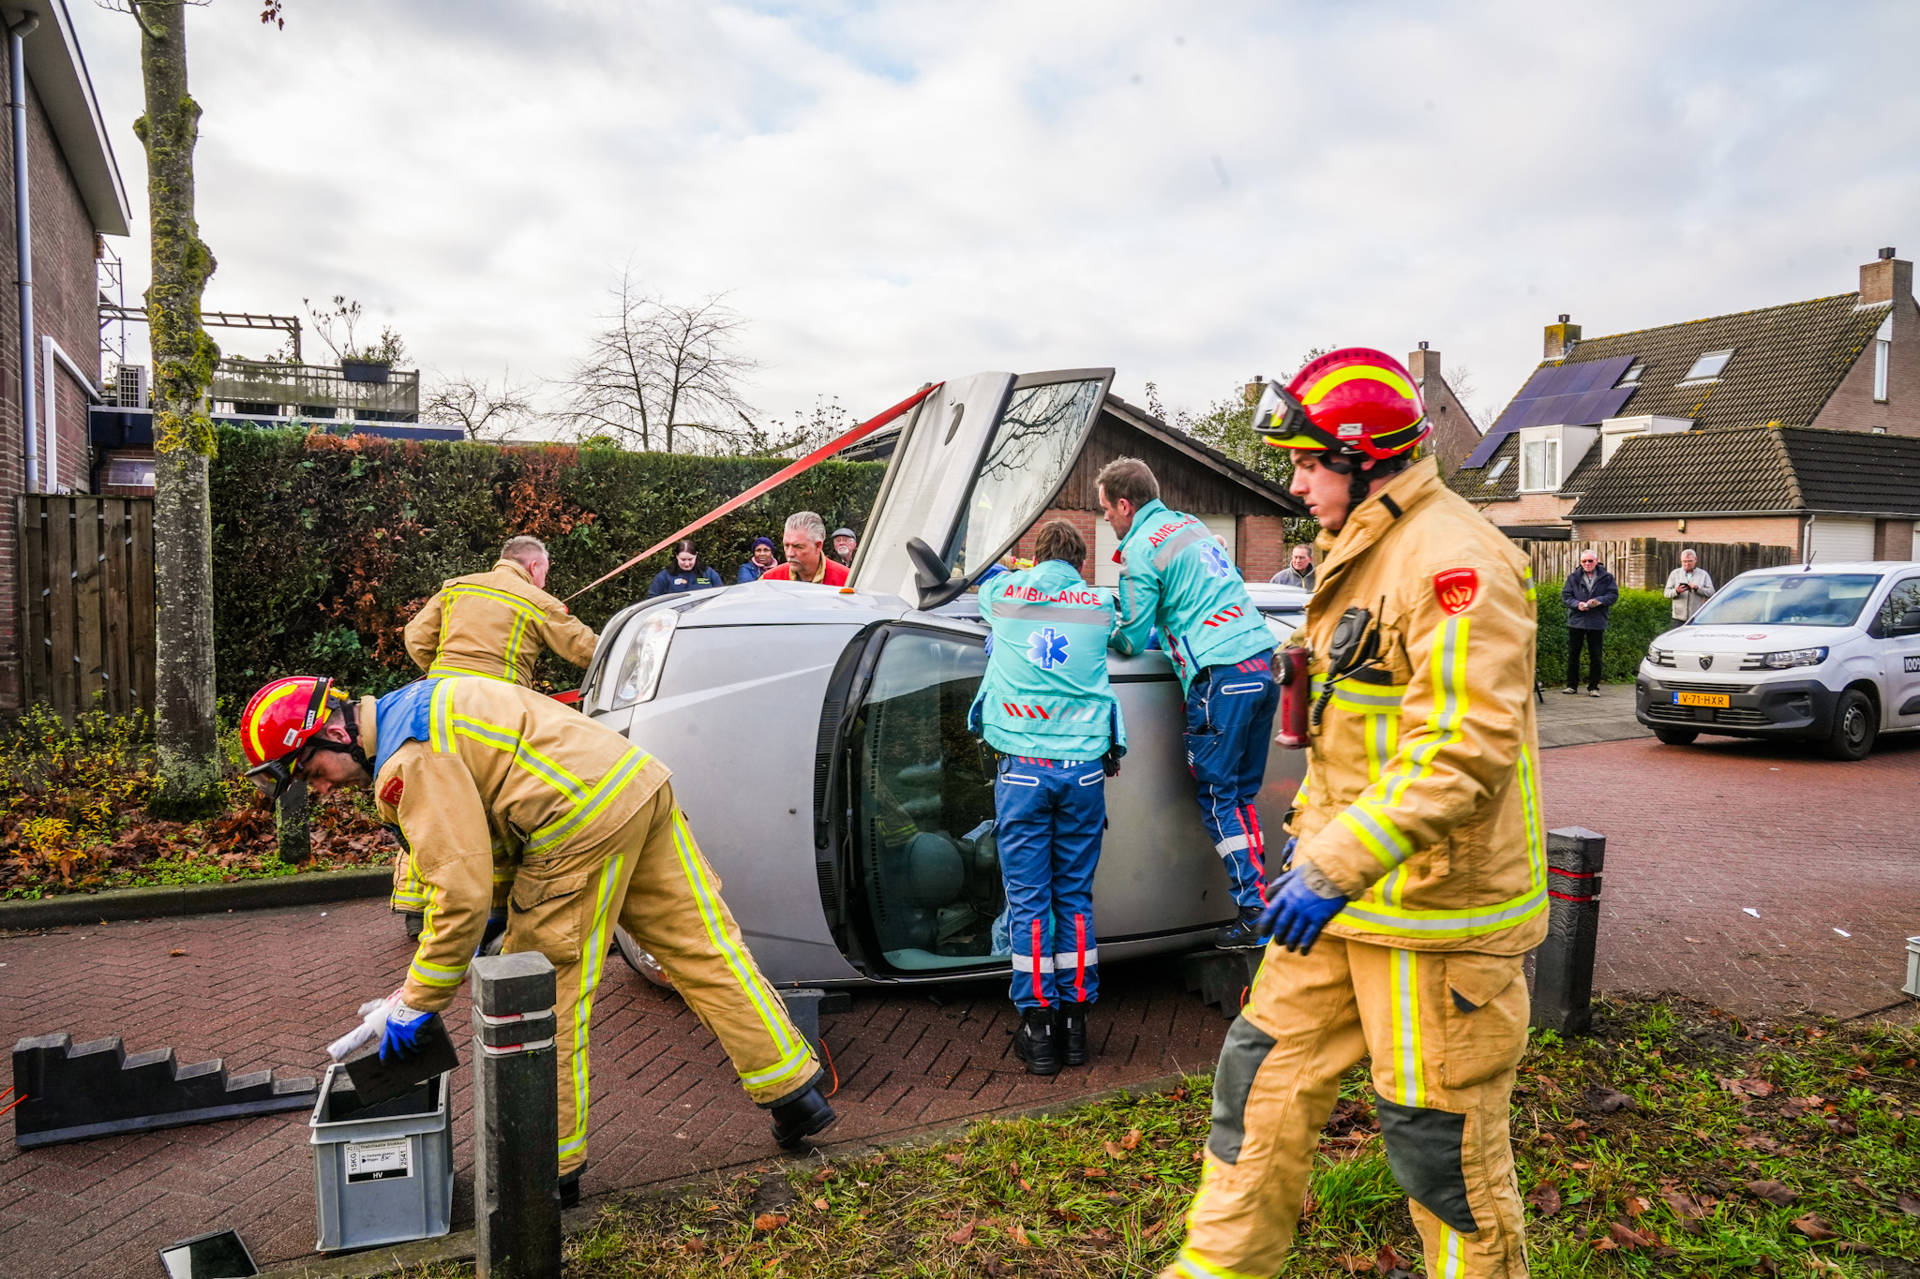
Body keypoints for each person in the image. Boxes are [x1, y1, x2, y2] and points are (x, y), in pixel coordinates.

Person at [1161, 348, 1544, 1279]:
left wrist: (1332, 865)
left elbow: (1464, 751)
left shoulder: (1457, 562)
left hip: (1432, 920)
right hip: (1341, 896)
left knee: (1438, 1152)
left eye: (1306, 463)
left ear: (1365, 458)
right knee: (1257, 1086)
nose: (1295, 484)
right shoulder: (1364, 547)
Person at [239, 674, 836, 1206]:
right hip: (635, 785)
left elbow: (461, 891)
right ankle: (794, 1091)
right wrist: (486, 925)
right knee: (704, 950)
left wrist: (417, 998)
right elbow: (494, 825)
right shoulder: (428, 698)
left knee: (542, 997)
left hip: (575, 823)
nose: (318, 790)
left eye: (310, 773)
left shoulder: (408, 761)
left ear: (335, 735)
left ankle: (552, 1170)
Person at [1098, 456, 1280, 949]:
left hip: (1218, 675)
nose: (1109, 523)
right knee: (1241, 798)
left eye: (1108, 513)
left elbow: (1132, 639)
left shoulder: (1140, 548)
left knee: (1219, 800)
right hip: (1261, 663)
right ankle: (1263, 904)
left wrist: (1101, 628)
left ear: (1123, 503)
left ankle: (1254, 914)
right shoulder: (1192, 525)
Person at [967, 520, 1124, 1076]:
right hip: (1083, 774)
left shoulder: (1006, 596)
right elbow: (1128, 639)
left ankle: (1038, 1034)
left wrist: (1013, 568)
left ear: (1036, 559)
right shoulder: (1100, 606)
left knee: (1031, 901)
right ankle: (1076, 1025)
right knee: (1074, 898)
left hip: (1025, 776)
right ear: (1081, 563)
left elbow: (979, 581)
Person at [403, 535, 599, 686]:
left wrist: (444, 669)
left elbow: (416, 637)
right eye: (545, 573)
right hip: (500, 699)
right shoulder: (540, 602)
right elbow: (584, 646)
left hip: (440, 691)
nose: (544, 582)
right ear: (534, 567)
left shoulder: (456, 587)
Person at [1561, 548, 1617, 696]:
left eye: (1590, 561)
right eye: (1584, 561)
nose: (1587, 563)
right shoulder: (1573, 577)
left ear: (1596, 561)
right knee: (1573, 654)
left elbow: (1613, 595)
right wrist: (1576, 604)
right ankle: (1571, 686)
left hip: (1596, 621)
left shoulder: (1607, 577)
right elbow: (1566, 596)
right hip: (1577, 621)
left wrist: (1599, 601)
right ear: (1580, 563)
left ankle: (1594, 687)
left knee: (1596, 656)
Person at [759, 511, 851, 585]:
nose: (790, 553)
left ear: (818, 546)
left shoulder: (848, 580)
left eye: (798, 547)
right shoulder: (769, 581)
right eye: (786, 545)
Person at [648, 540, 724, 597]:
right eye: (683, 560)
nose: (687, 564)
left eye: (690, 559)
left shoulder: (709, 573)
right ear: (677, 556)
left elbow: (721, 596)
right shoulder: (664, 577)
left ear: (696, 555)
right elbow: (652, 599)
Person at [1664, 548, 1715, 622]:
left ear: (1695, 560)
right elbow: (1666, 593)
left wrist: (1697, 588)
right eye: (1684, 561)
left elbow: (1711, 592)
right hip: (1678, 618)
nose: (1687, 564)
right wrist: (1677, 591)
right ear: (1681, 560)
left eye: (1690, 561)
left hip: (1697, 617)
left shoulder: (1703, 574)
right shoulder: (1675, 574)